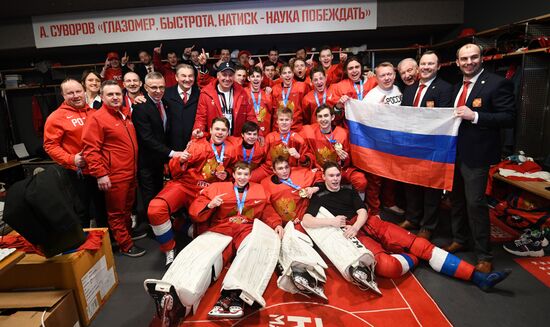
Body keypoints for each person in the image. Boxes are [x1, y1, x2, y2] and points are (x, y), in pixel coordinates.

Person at [302, 161, 511, 292]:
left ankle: (478, 277)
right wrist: (332, 221)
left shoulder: (348, 189)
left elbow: (363, 211)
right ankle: (416, 258)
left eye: (337, 175)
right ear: (324, 177)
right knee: (386, 267)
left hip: (368, 224)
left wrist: (356, 225)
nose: (335, 179)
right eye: (331, 176)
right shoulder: (318, 194)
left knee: (422, 244)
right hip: (352, 235)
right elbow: (306, 221)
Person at [145, 162, 283, 322]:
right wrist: (209, 204)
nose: (242, 177)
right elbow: (195, 211)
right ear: (234, 175)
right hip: (222, 227)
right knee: (201, 254)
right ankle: (176, 294)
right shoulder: (217, 188)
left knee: (253, 250)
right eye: (239, 174)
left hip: (246, 227)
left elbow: (267, 209)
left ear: (250, 176)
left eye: (246, 174)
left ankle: (234, 293)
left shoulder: (259, 190)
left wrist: (276, 223)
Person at [447, 43, 516, 273]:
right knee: (456, 199)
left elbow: (508, 117)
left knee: (475, 203)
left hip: (477, 155)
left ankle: (484, 254)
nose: (469, 62)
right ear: (457, 62)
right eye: (464, 59)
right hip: (453, 153)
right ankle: (460, 238)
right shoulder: (457, 86)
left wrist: (474, 115)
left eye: (473, 57)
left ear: (481, 58)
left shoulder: (497, 83)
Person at [147, 118, 237, 266]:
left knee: (209, 235)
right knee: (155, 209)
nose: (220, 133)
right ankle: (169, 248)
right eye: (217, 129)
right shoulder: (197, 145)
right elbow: (174, 169)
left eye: (223, 130)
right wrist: (180, 160)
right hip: (186, 185)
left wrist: (226, 174)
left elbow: (233, 170)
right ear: (211, 130)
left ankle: (178, 223)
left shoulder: (231, 150)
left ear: (228, 132)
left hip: (207, 192)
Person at [82, 80, 145, 257]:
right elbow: (90, 150)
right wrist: (101, 174)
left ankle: (127, 235)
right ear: (102, 96)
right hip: (114, 175)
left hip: (130, 172)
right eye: (110, 94)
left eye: (118, 94)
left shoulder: (124, 114)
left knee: (127, 210)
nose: (115, 97)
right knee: (116, 212)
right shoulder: (96, 118)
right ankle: (125, 245)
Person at [399, 51, 453, 240]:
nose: (426, 67)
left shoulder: (445, 89)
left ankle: (428, 226)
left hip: (432, 147)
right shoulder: (410, 89)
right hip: (412, 146)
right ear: (418, 67)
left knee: (431, 189)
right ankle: (412, 218)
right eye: (423, 64)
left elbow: (444, 119)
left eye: (431, 64)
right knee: (411, 185)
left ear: (438, 66)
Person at [43, 78, 106, 228]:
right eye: (70, 93)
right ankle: (83, 247)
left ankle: (108, 244)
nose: (76, 95)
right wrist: (71, 159)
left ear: (84, 91)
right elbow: (50, 145)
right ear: (63, 95)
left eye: (78, 91)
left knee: (102, 209)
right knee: (81, 211)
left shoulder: (94, 113)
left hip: (98, 171)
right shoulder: (56, 117)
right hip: (76, 174)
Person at [132, 72, 183, 245]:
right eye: (153, 87)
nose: (158, 90)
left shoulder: (165, 104)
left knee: (159, 192)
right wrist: (171, 153)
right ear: (145, 88)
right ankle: (153, 230)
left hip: (160, 161)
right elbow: (146, 138)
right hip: (147, 161)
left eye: (161, 87)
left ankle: (161, 224)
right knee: (149, 195)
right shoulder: (140, 107)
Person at [361, 62, 404, 217]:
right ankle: (374, 210)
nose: (387, 78)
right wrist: (376, 112)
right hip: (377, 143)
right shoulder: (371, 96)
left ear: (394, 74)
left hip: (395, 141)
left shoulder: (399, 89)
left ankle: (390, 203)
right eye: (382, 75)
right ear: (376, 78)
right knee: (375, 178)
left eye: (389, 74)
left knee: (392, 175)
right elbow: (362, 120)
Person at [301, 105, 367, 199]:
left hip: (340, 170)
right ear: (316, 118)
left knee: (360, 180)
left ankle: (359, 206)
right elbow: (294, 136)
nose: (323, 119)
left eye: (326, 116)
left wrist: (344, 159)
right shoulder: (309, 131)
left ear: (332, 117)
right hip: (321, 171)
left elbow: (348, 161)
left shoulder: (343, 134)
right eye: (320, 116)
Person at [192, 61, 257, 138]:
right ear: (218, 76)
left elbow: (251, 116)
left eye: (230, 75)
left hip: (236, 140)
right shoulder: (206, 93)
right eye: (224, 75)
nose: (227, 78)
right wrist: (197, 131)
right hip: (215, 141)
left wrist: (257, 134)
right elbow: (201, 118)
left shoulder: (242, 92)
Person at [163, 64, 199, 152]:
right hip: (171, 146)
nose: (187, 79)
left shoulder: (200, 95)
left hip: (194, 145)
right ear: (176, 77)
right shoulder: (165, 94)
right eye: (183, 76)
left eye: (190, 76)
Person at [271, 64, 310, 132]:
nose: (287, 75)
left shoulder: (301, 87)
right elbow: (273, 112)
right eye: (284, 73)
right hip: (279, 128)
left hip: (297, 127)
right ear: (280, 76)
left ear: (293, 74)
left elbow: (307, 108)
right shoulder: (275, 89)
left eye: (289, 72)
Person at [245, 66, 273, 134]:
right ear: (248, 78)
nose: (255, 79)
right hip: (249, 133)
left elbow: (272, 113)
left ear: (262, 78)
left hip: (265, 132)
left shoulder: (267, 94)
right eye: (253, 76)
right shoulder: (244, 93)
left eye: (258, 76)